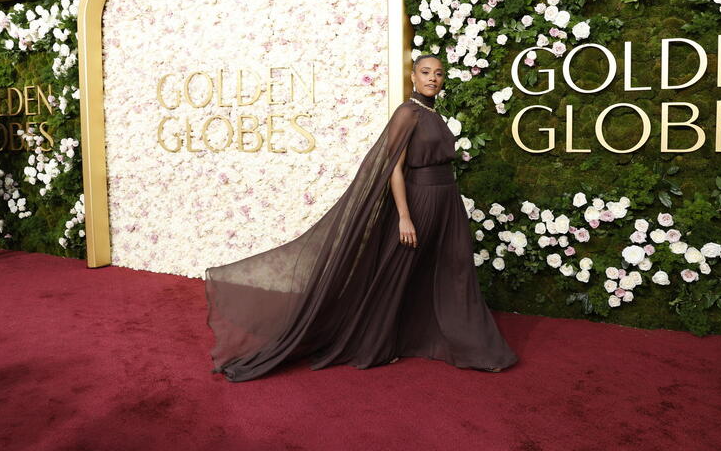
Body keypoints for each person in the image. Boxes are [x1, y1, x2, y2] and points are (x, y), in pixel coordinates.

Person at [205, 54, 518, 382]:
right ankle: (378, 343)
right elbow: (393, 167)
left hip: (447, 201)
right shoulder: (406, 113)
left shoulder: (434, 115)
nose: (433, 79)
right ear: (413, 76)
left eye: (438, 74)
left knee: (456, 272)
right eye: (426, 72)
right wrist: (404, 217)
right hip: (420, 200)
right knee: (398, 274)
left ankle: (469, 345)